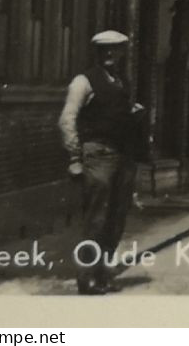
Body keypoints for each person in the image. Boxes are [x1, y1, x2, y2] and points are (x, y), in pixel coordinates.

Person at [57, 30, 145, 295]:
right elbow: (67, 120)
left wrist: (132, 113)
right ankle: (86, 278)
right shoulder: (83, 82)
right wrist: (74, 158)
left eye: (114, 50)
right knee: (96, 218)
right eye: (104, 50)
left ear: (121, 53)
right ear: (96, 53)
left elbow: (115, 112)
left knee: (117, 217)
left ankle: (103, 272)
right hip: (98, 155)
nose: (109, 54)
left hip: (123, 156)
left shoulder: (121, 82)